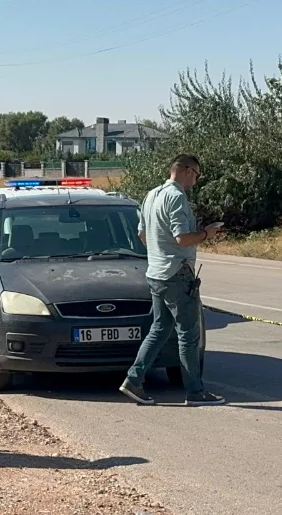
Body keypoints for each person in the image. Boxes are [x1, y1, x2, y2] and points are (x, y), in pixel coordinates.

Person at [119, 154, 226, 407]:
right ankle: (195, 391)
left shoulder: (151, 194)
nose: (196, 181)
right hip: (177, 273)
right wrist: (206, 233)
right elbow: (182, 238)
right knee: (188, 334)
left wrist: (160, 251)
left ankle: (134, 380)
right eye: (197, 176)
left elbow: (142, 234)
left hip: (156, 272)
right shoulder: (176, 197)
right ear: (187, 171)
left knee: (159, 328)